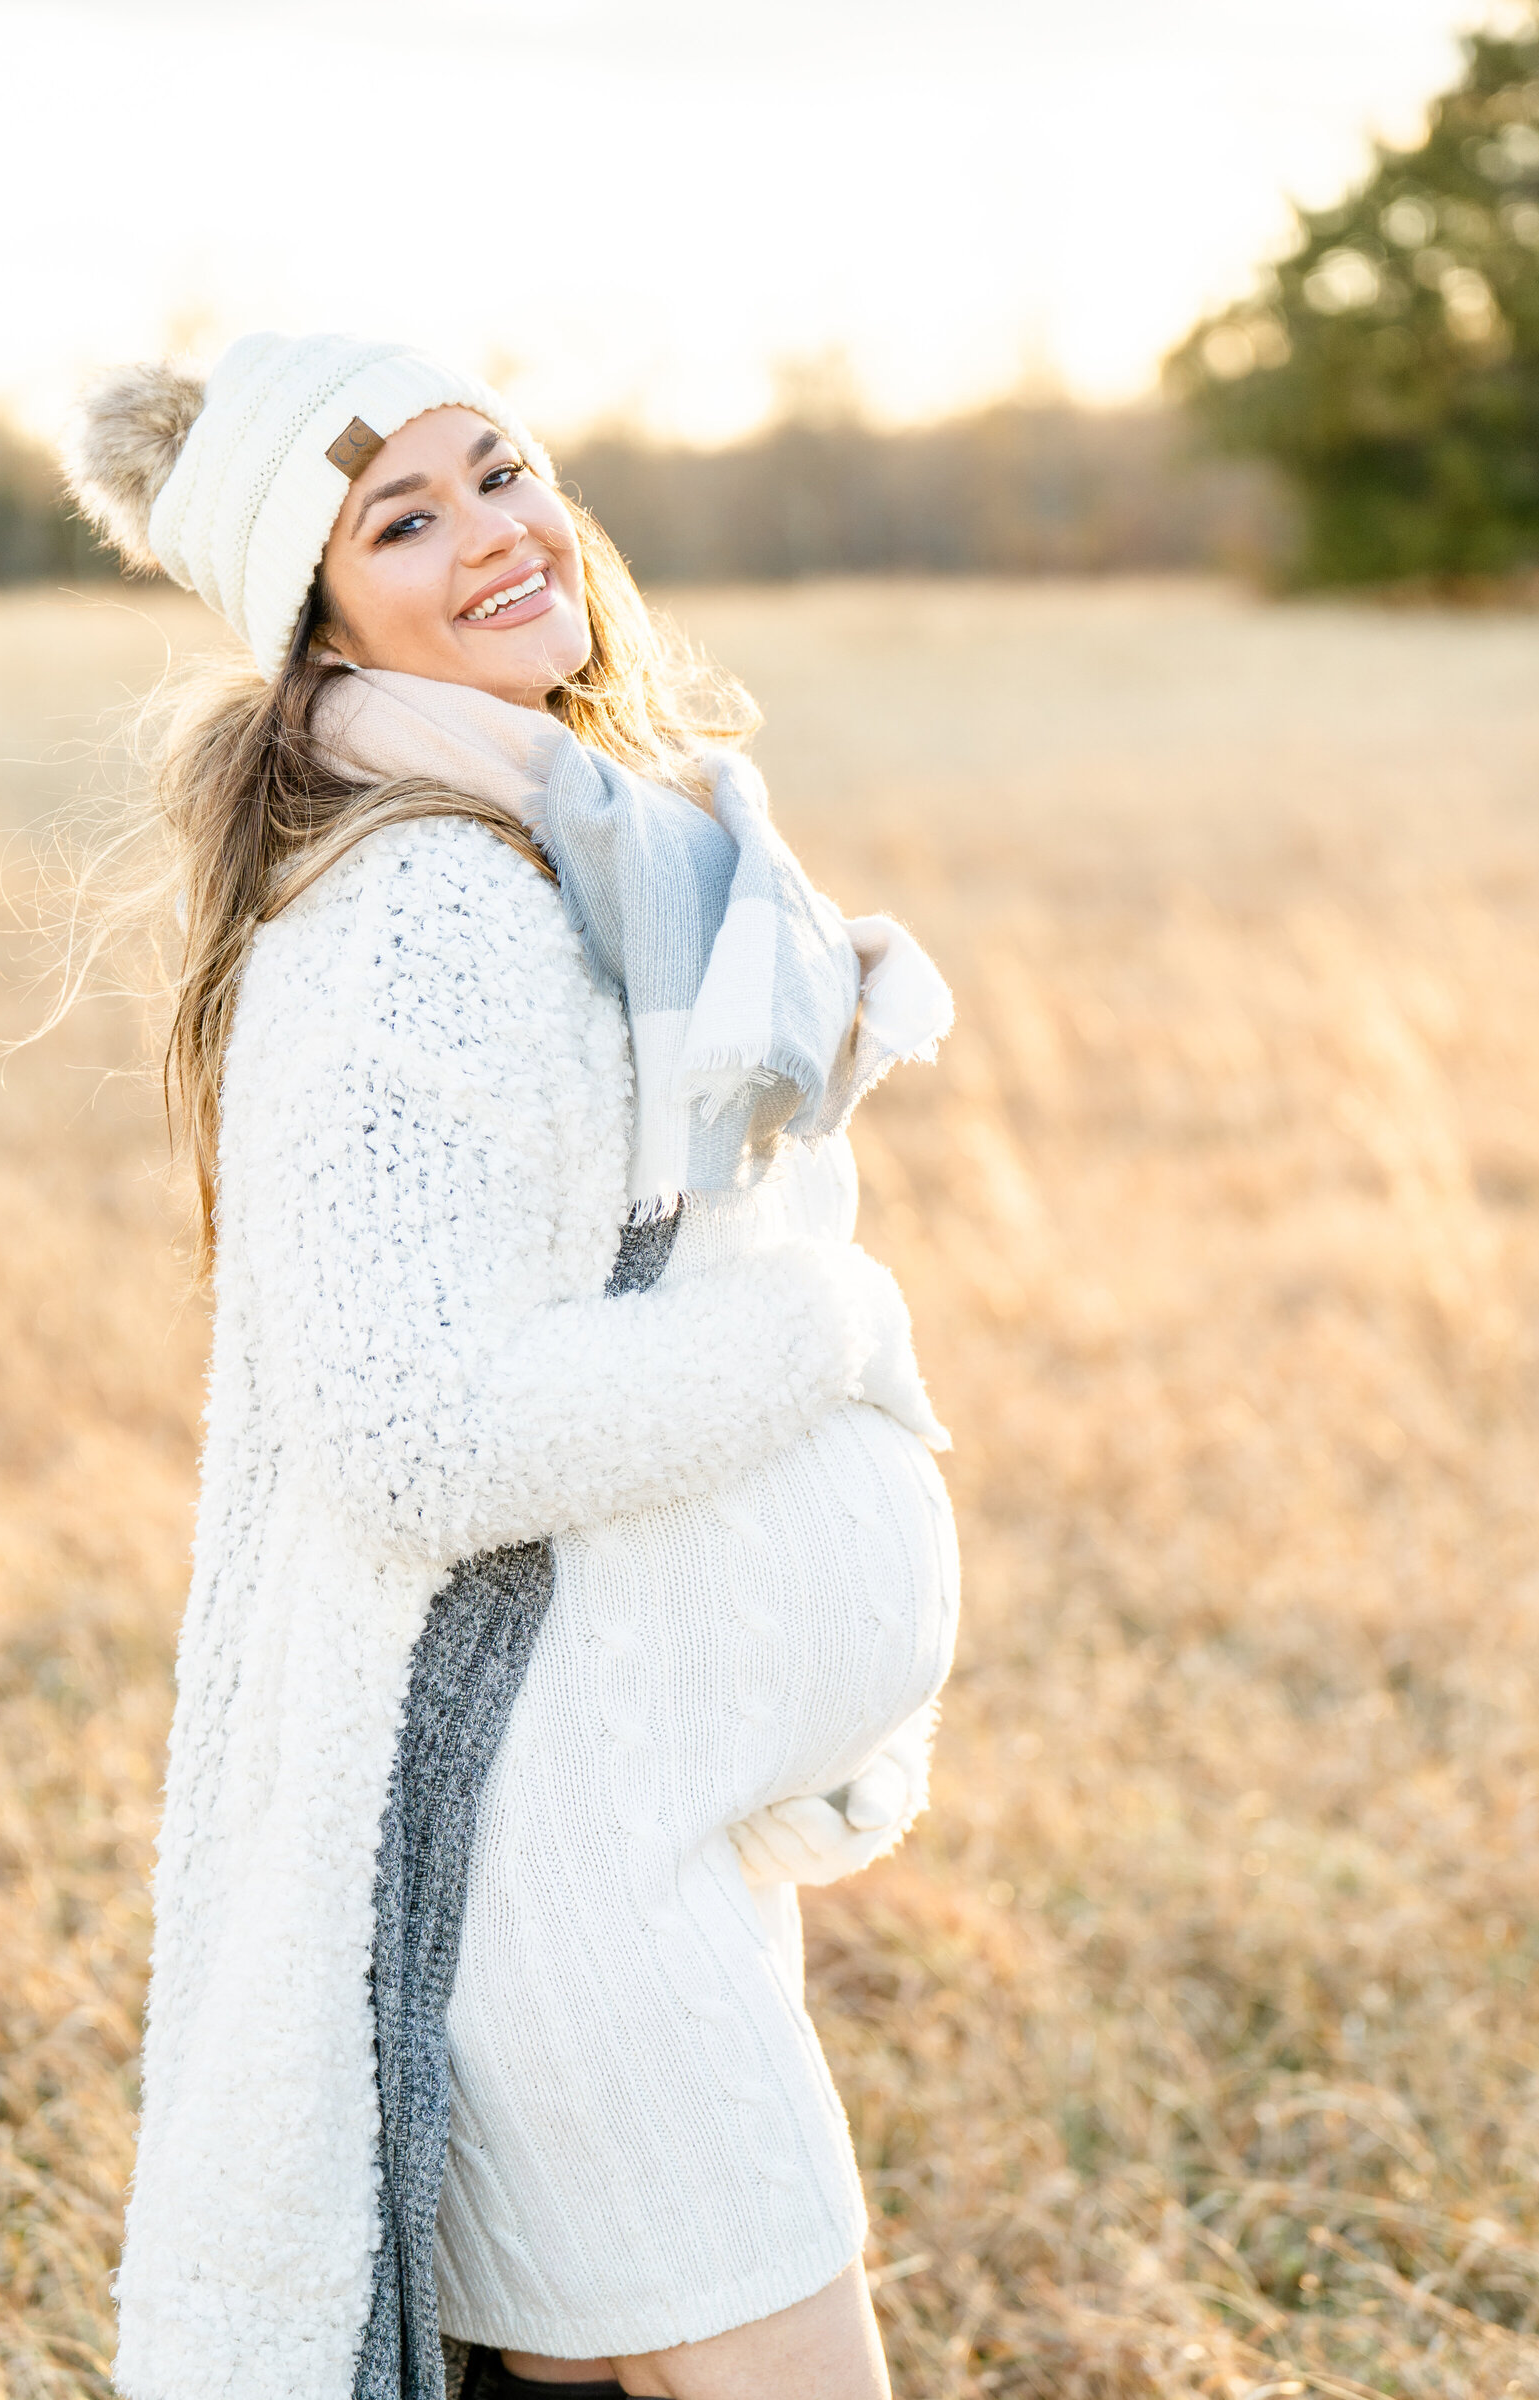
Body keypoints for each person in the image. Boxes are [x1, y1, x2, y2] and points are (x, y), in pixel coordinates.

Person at [65, 333, 958, 2400]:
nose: (494, 533)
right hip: (557, 1868)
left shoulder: (580, 847)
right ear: (317, 613)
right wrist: (829, 1327)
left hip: (631, 1826)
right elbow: (413, 1439)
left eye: (503, 470)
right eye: (403, 518)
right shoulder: (424, 912)